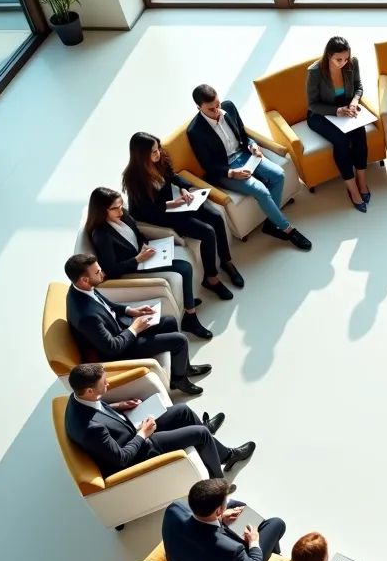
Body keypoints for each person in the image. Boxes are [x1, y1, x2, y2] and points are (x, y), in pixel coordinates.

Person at [62, 363, 254, 482]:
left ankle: (219, 451)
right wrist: (143, 433)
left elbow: (98, 408)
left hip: (128, 428)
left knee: (183, 411)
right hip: (139, 451)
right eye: (104, 382)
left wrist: (119, 405)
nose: (108, 384)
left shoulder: (77, 397)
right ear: (89, 390)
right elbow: (121, 458)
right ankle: (218, 481)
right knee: (200, 435)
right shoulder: (91, 428)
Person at [187, 84, 312, 251]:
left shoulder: (229, 107)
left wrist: (252, 145)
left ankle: (270, 223)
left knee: (279, 174)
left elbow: (242, 133)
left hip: (245, 155)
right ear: (198, 107)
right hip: (226, 169)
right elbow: (208, 166)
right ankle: (288, 229)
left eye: (218, 104)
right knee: (260, 190)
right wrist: (232, 172)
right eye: (211, 109)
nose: (217, 110)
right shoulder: (195, 131)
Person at [63, 253, 207, 395]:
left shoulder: (80, 288)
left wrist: (130, 310)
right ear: (84, 280)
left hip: (120, 331)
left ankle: (183, 368)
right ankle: (179, 380)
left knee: (169, 321)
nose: (102, 273)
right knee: (179, 341)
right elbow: (112, 348)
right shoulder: (86, 316)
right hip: (119, 352)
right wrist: (134, 328)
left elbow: (105, 304)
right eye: (98, 272)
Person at [121, 132, 242, 300]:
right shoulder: (133, 178)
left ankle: (226, 261)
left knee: (216, 216)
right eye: (154, 152)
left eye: (158, 148)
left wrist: (185, 189)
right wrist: (172, 204)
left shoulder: (160, 159)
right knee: (207, 232)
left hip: (177, 201)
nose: (158, 153)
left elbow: (172, 176)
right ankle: (211, 279)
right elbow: (143, 210)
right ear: (141, 155)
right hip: (161, 213)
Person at [84, 187, 211, 339]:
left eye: (121, 205)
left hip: (143, 256)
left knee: (183, 266)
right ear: (102, 210)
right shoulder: (101, 235)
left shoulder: (122, 216)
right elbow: (111, 269)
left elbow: (137, 234)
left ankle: (187, 302)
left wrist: (144, 244)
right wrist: (137, 259)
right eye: (115, 208)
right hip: (133, 267)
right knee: (184, 268)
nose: (121, 211)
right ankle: (190, 318)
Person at [307, 37, 373, 213]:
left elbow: (358, 86)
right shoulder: (315, 71)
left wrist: (354, 100)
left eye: (346, 58)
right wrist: (337, 111)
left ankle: (361, 180)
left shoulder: (352, 63)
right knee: (341, 141)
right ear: (329, 55)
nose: (343, 63)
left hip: (346, 110)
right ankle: (352, 188)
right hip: (320, 115)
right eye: (339, 60)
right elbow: (312, 105)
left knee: (360, 133)